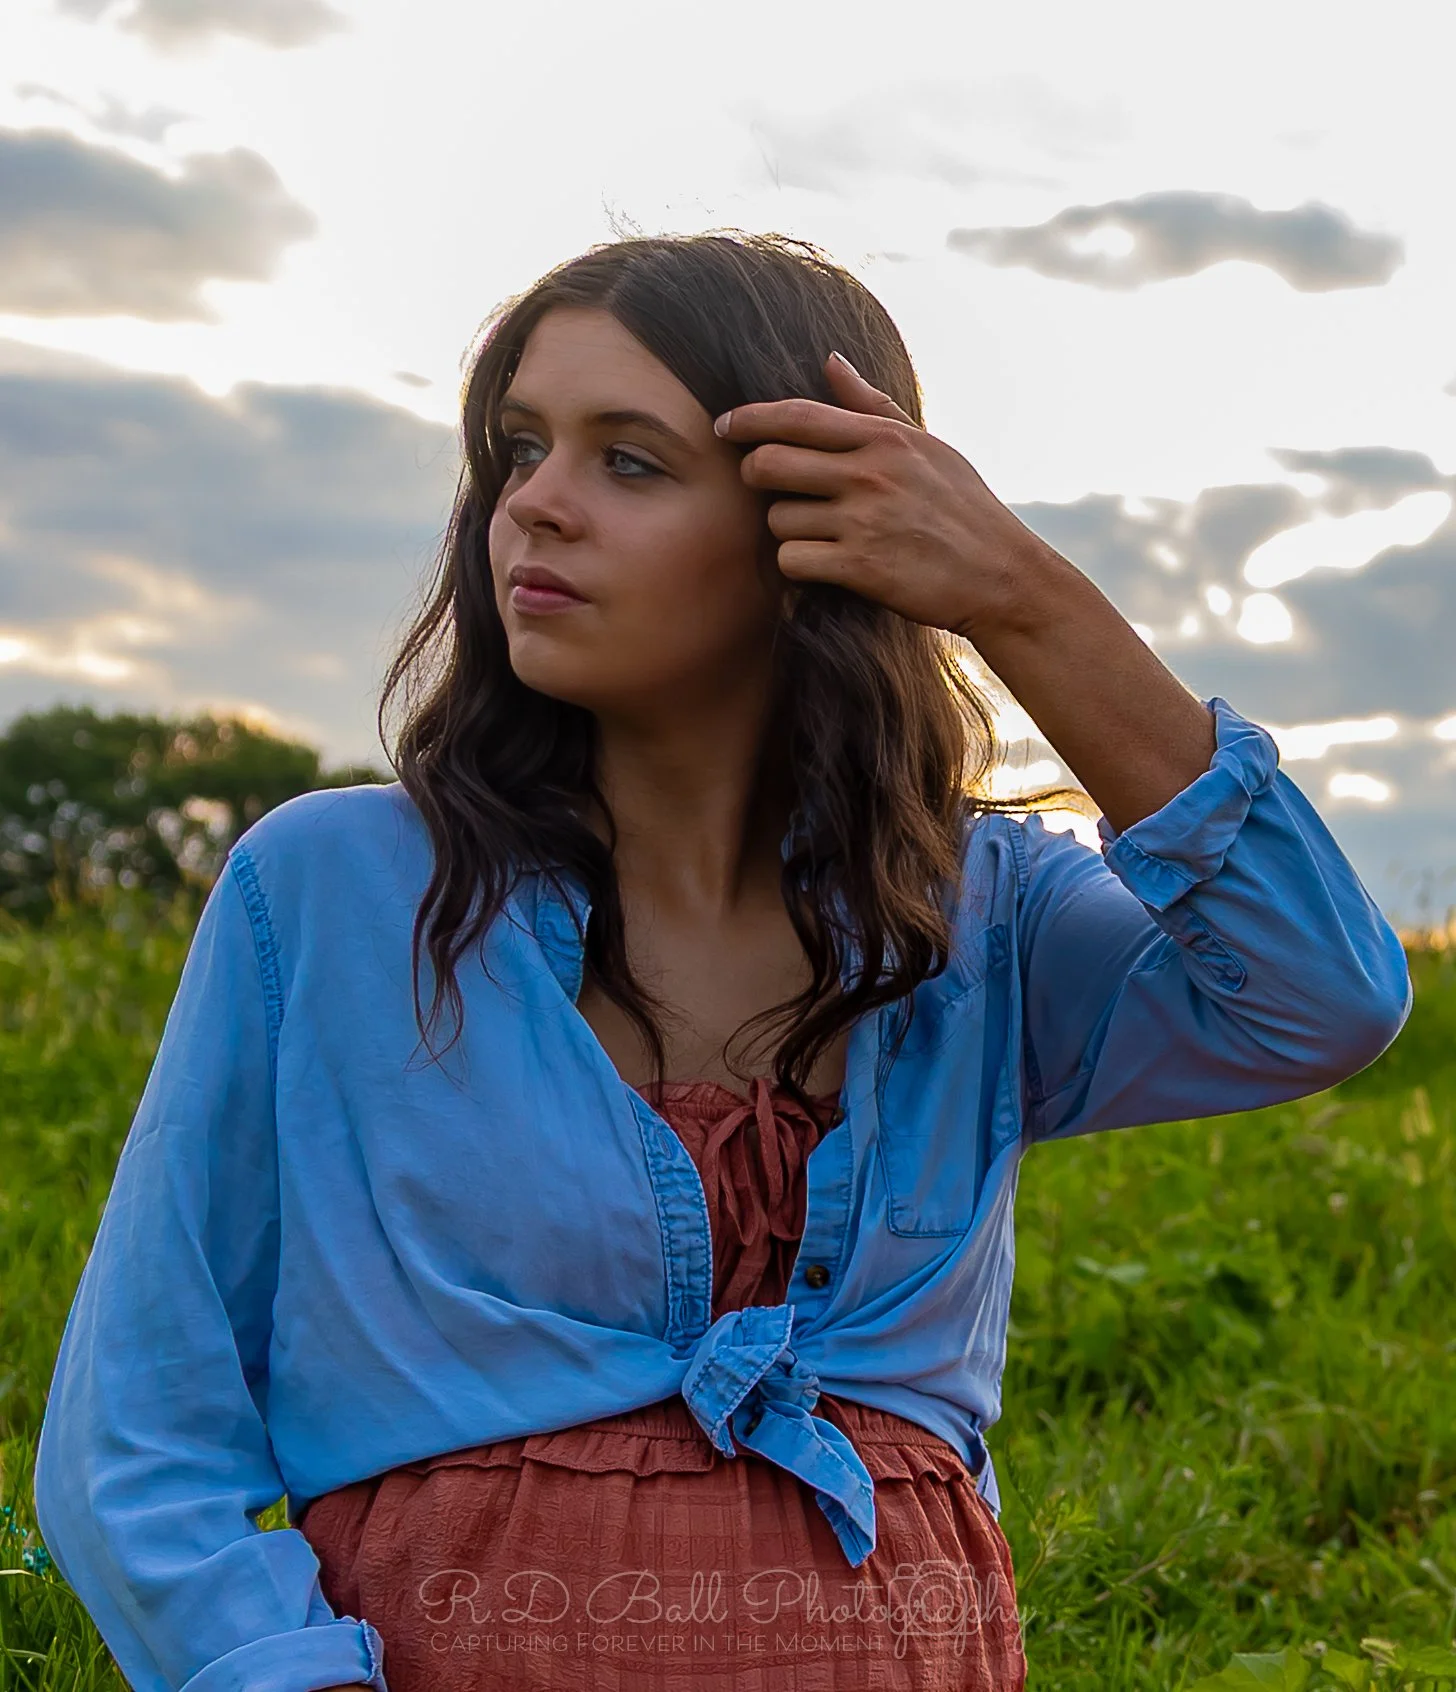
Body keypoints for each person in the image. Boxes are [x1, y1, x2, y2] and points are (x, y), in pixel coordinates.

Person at [33, 230, 1412, 1692]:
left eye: (628, 461)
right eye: (517, 448)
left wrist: (1025, 599)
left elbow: (1323, 998)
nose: (533, 510)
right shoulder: (330, 892)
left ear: (822, 527)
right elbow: (139, 1436)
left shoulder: (982, 915)